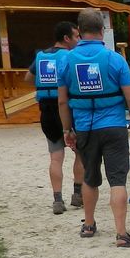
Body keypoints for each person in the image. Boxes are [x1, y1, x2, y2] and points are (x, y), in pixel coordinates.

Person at [58, 8, 130, 248]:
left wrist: (67, 130)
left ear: (79, 30)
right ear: (102, 30)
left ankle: (88, 225)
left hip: (85, 127)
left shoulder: (67, 60)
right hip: (114, 126)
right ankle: (121, 233)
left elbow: (62, 101)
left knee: (89, 177)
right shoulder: (115, 59)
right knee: (117, 180)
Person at [25, 20, 83, 214]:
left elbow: (28, 78)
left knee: (56, 158)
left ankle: (57, 200)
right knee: (80, 154)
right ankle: (77, 195)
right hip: (66, 111)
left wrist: (44, 84)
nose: (79, 40)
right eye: (76, 36)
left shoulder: (41, 56)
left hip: (46, 112)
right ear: (66, 38)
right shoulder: (70, 56)